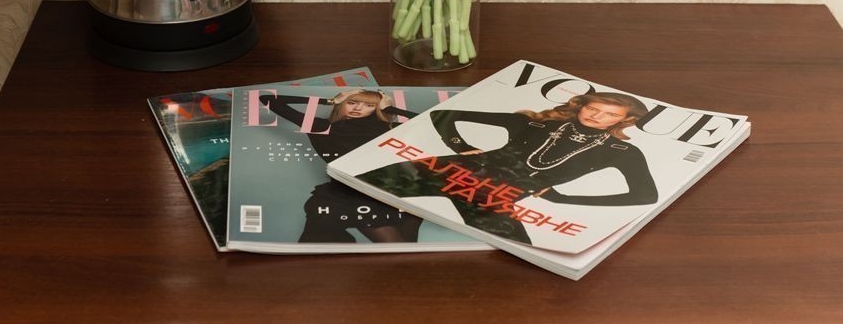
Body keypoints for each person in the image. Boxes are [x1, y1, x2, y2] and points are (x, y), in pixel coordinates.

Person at [357, 92, 659, 245]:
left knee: (521, 255)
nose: (596, 116)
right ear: (581, 106)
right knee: (352, 193)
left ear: (624, 120)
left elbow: (645, 195)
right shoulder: (539, 123)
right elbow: (445, 114)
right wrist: (460, 147)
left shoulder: (623, 152)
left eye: (609, 114)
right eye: (592, 108)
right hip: (448, 170)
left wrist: (562, 198)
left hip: (494, 197)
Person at [264, 89, 423, 243]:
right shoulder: (322, 127)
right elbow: (268, 99)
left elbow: (435, 122)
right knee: (395, 247)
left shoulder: (389, 128)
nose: (358, 108)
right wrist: (329, 101)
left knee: (407, 247)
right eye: (352, 103)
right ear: (342, 103)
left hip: (398, 191)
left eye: (369, 105)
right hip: (353, 193)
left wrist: (389, 109)